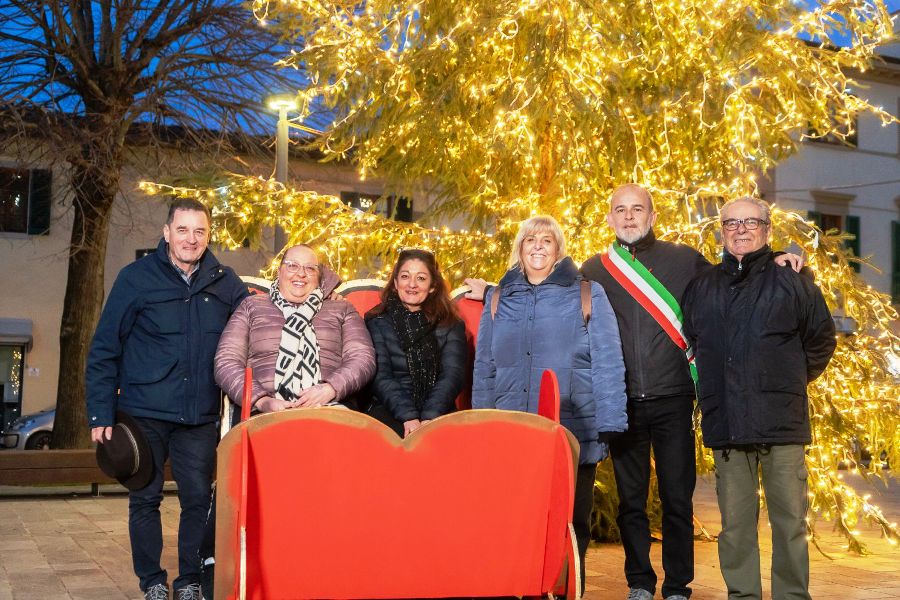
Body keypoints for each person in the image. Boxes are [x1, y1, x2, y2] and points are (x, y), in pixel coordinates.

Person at [466, 184, 803, 600]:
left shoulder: (684, 259)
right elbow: (545, 291)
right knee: (631, 503)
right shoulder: (594, 269)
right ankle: (640, 582)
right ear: (610, 218)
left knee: (677, 499)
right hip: (624, 401)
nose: (628, 217)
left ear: (652, 216)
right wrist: (492, 291)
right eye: (621, 210)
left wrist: (777, 258)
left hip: (673, 397)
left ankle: (677, 585)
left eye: (637, 209)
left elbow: (732, 273)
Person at [86, 198, 248, 600]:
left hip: (198, 416)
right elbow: (105, 347)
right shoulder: (135, 278)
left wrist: (319, 298)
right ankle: (153, 582)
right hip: (143, 413)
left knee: (198, 500)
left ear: (208, 235)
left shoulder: (226, 282)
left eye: (199, 231)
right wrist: (100, 412)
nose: (191, 239)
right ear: (166, 232)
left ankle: (189, 581)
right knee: (145, 499)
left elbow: (260, 323)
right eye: (182, 230)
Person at [683, 196, 836, 600]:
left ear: (767, 230)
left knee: (790, 524)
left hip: (781, 422)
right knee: (735, 527)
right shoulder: (702, 286)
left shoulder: (793, 280)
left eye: (750, 222)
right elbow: (694, 341)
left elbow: (821, 339)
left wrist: (787, 381)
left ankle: (791, 596)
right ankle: (743, 596)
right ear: (722, 231)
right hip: (727, 423)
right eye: (731, 223)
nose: (740, 230)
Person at [472, 215, 628, 593]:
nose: (538, 246)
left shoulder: (587, 293)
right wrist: (481, 423)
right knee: (516, 521)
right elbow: (485, 366)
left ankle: (567, 589)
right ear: (520, 248)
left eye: (547, 240)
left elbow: (608, 358)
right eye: (530, 240)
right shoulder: (498, 298)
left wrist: (611, 421)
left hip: (571, 429)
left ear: (558, 249)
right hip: (513, 430)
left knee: (571, 522)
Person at [214, 243, 376, 414]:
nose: (301, 274)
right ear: (279, 271)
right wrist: (261, 400)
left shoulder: (341, 308)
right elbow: (227, 361)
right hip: (266, 412)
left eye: (310, 268)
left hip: (330, 409)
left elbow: (362, 358)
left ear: (319, 276)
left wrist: (331, 389)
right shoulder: (251, 306)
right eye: (292, 266)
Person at [365, 249, 467, 437]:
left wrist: (429, 417)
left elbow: (453, 375)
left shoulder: (451, 324)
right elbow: (380, 376)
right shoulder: (376, 320)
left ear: (433, 285)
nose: (412, 284)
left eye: (421, 278)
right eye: (405, 276)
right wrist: (408, 416)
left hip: (438, 409)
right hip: (390, 407)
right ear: (396, 283)